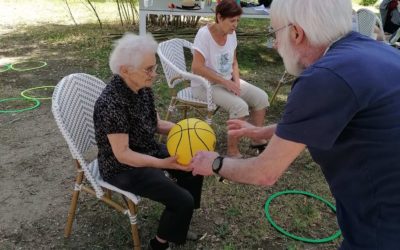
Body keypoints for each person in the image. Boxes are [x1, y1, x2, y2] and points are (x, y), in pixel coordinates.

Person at [189, 0, 400, 248]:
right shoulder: (377, 51)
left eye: (275, 34)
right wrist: (263, 131)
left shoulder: (323, 78)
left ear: (296, 33)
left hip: (384, 226)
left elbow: (264, 173)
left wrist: (214, 162)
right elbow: (328, 119)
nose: (276, 44)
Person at [93, 33, 203, 250]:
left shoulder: (141, 87)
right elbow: (123, 154)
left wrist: (186, 130)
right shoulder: (111, 103)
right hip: (122, 168)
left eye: (154, 67)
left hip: (146, 149)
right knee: (182, 199)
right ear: (125, 70)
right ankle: (159, 243)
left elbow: (155, 123)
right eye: (149, 69)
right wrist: (163, 164)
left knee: (194, 169)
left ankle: (180, 220)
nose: (155, 74)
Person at [191, 0, 269, 158]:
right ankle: (232, 151)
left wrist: (236, 82)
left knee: (261, 97)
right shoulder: (204, 35)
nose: (235, 25)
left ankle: (257, 138)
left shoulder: (231, 34)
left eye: (238, 21)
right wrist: (226, 82)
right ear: (219, 17)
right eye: (232, 20)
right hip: (204, 85)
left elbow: (234, 62)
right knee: (239, 106)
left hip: (226, 81)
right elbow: (197, 67)